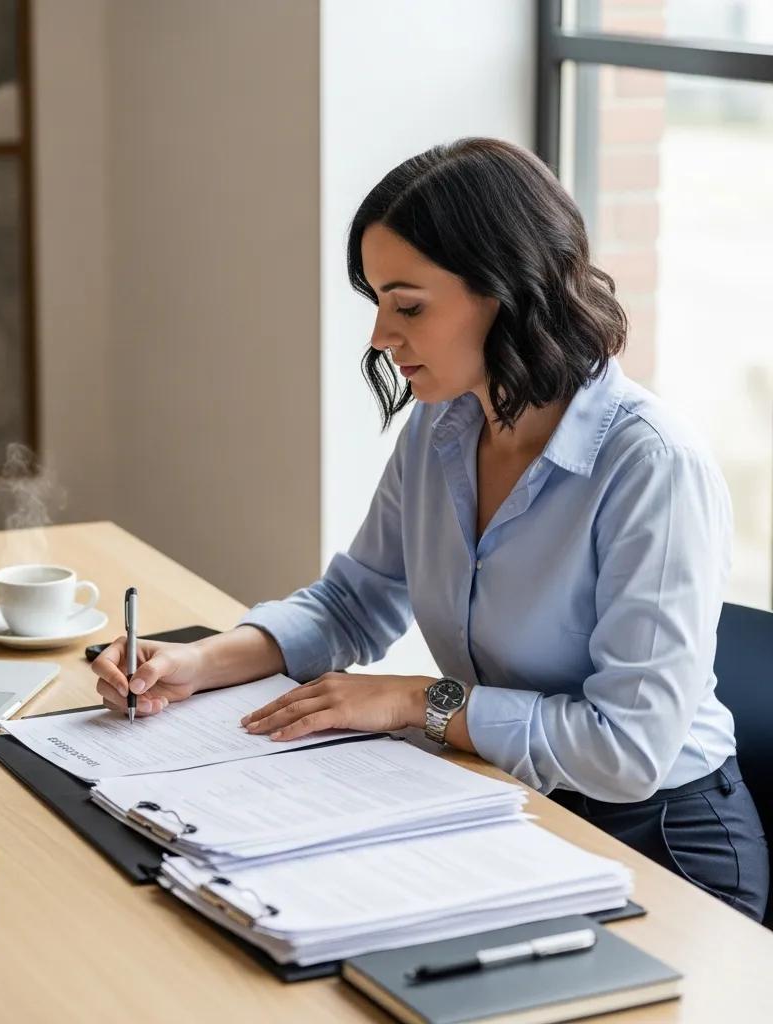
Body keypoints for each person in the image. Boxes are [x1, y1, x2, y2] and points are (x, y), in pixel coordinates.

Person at [91, 137, 769, 921]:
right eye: (377, 303)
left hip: (663, 844)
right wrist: (199, 662)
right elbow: (353, 603)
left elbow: (629, 749)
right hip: (509, 802)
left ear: (508, 289)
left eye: (408, 305)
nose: (381, 336)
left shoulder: (651, 465)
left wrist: (420, 700)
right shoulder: (443, 428)